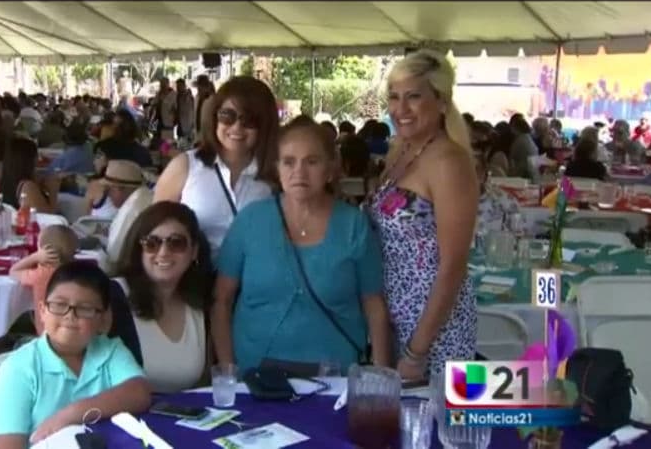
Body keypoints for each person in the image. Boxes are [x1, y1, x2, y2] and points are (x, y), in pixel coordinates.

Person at [212, 118, 392, 373]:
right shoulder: (250, 220)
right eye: (289, 161)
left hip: (336, 376)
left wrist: (382, 374)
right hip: (255, 376)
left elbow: (373, 303)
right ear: (277, 168)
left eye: (312, 161)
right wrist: (228, 371)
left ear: (330, 169)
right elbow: (221, 300)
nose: (299, 172)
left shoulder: (354, 225)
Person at [365, 49, 479, 379]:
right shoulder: (401, 152)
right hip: (393, 321)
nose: (400, 109)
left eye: (413, 97)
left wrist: (417, 350)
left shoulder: (448, 162)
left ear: (441, 101)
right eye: (394, 97)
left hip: (433, 330)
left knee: (431, 412)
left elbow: (453, 265)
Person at [0, 261, 151, 448]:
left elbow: (140, 392)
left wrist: (72, 414)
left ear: (104, 320)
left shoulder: (109, 351)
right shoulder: (19, 370)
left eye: (85, 308)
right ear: (42, 312)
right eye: (59, 304)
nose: (70, 315)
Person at [153, 76, 277, 261]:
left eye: (249, 120)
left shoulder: (276, 175)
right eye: (227, 116)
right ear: (215, 116)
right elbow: (153, 229)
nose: (237, 127)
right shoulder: (185, 166)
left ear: (265, 124)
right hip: (195, 275)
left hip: (255, 276)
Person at [120, 202, 214, 392]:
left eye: (176, 243)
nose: (163, 253)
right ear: (139, 249)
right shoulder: (114, 295)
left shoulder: (200, 304)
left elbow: (203, 385)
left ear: (194, 251)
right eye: (152, 243)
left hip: (181, 410)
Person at [10, 225, 79, 333]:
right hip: (74, 328)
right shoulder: (77, 271)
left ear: (44, 251)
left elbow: (13, 271)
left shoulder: (40, 275)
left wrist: (34, 258)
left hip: (46, 332)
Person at [475, 153, 520, 235]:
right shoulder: (450, 204)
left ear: (483, 174)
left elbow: (516, 236)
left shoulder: (505, 202)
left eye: (475, 170)